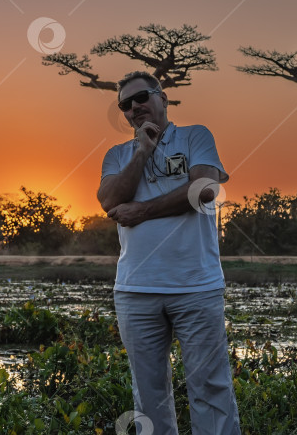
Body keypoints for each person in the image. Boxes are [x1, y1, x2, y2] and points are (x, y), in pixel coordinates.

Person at [98, 71, 240, 435]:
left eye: (141, 97)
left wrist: (142, 210)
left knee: (210, 387)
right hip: (135, 290)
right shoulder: (117, 156)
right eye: (125, 105)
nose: (134, 108)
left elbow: (204, 189)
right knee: (148, 396)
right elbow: (110, 200)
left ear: (163, 97)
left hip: (196, 286)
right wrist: (143, 150)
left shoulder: (195, 136)